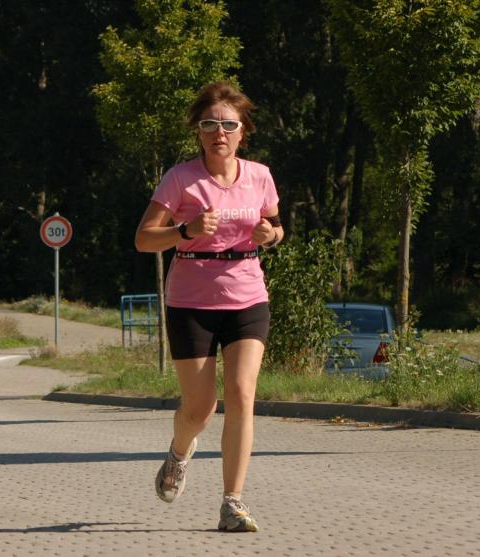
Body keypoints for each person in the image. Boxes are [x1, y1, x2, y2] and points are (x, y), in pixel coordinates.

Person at [134, 81, 283, 532]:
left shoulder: (260, 175)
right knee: (200, 408)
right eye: (210, 124)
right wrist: (185, 230)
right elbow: (143, 239)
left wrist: (270, 236)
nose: (219, 132)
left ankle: (232, 502)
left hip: (247, 295)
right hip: (191, 301)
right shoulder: (180, 178)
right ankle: (179, 452)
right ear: (198, 131)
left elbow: (275, 226)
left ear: (243, 131)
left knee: (241, 393)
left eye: (228, 125)